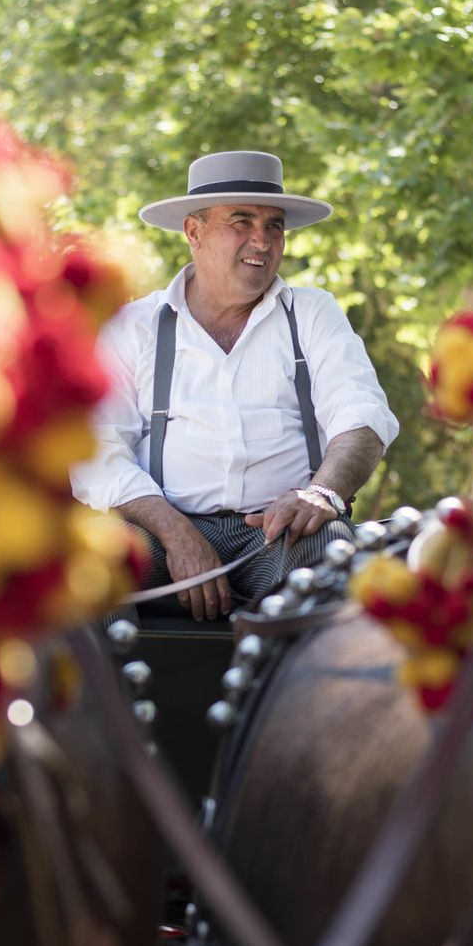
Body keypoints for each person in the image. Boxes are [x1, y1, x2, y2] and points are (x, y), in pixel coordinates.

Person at [71, 150, 399, 619]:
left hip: (283, 532)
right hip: (161, 529)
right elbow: (95, 450)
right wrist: (176, 532)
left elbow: (363, 417)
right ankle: (113, 694)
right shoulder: (135, 326)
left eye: (274, 226)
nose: (261, 241)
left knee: (334, 559)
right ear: (194, 232)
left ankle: (291, 693)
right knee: (92, 567)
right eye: (241, 221)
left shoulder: (312, 313)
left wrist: (321, 493)